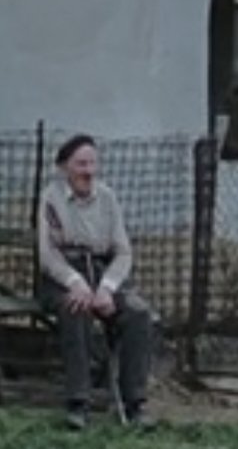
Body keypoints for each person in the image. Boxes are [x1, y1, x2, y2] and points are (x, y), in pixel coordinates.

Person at [35, 133, 158, 429]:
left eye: (92, 164)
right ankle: (79, 403)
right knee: (75, 308)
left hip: (102, 273)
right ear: (65, 167)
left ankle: (134, 403)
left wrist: (106, 289)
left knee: (138, 314)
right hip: (63, 275)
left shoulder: (107, 198)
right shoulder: (51, 198)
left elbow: (123, 252)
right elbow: (48, 254)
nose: (88, 171)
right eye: (81, 164)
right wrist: (75, 282)